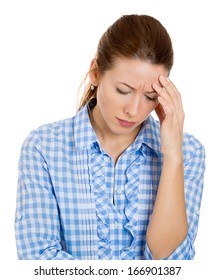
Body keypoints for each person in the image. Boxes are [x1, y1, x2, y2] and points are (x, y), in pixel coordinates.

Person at [15, 14, 205, 260]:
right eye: (123, 90)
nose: (134, 110)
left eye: (150, 96)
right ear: (95, 74)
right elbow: (38, 256)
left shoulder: (188, 153)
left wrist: (172, 156)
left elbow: (172, 263)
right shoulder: (43, 148)